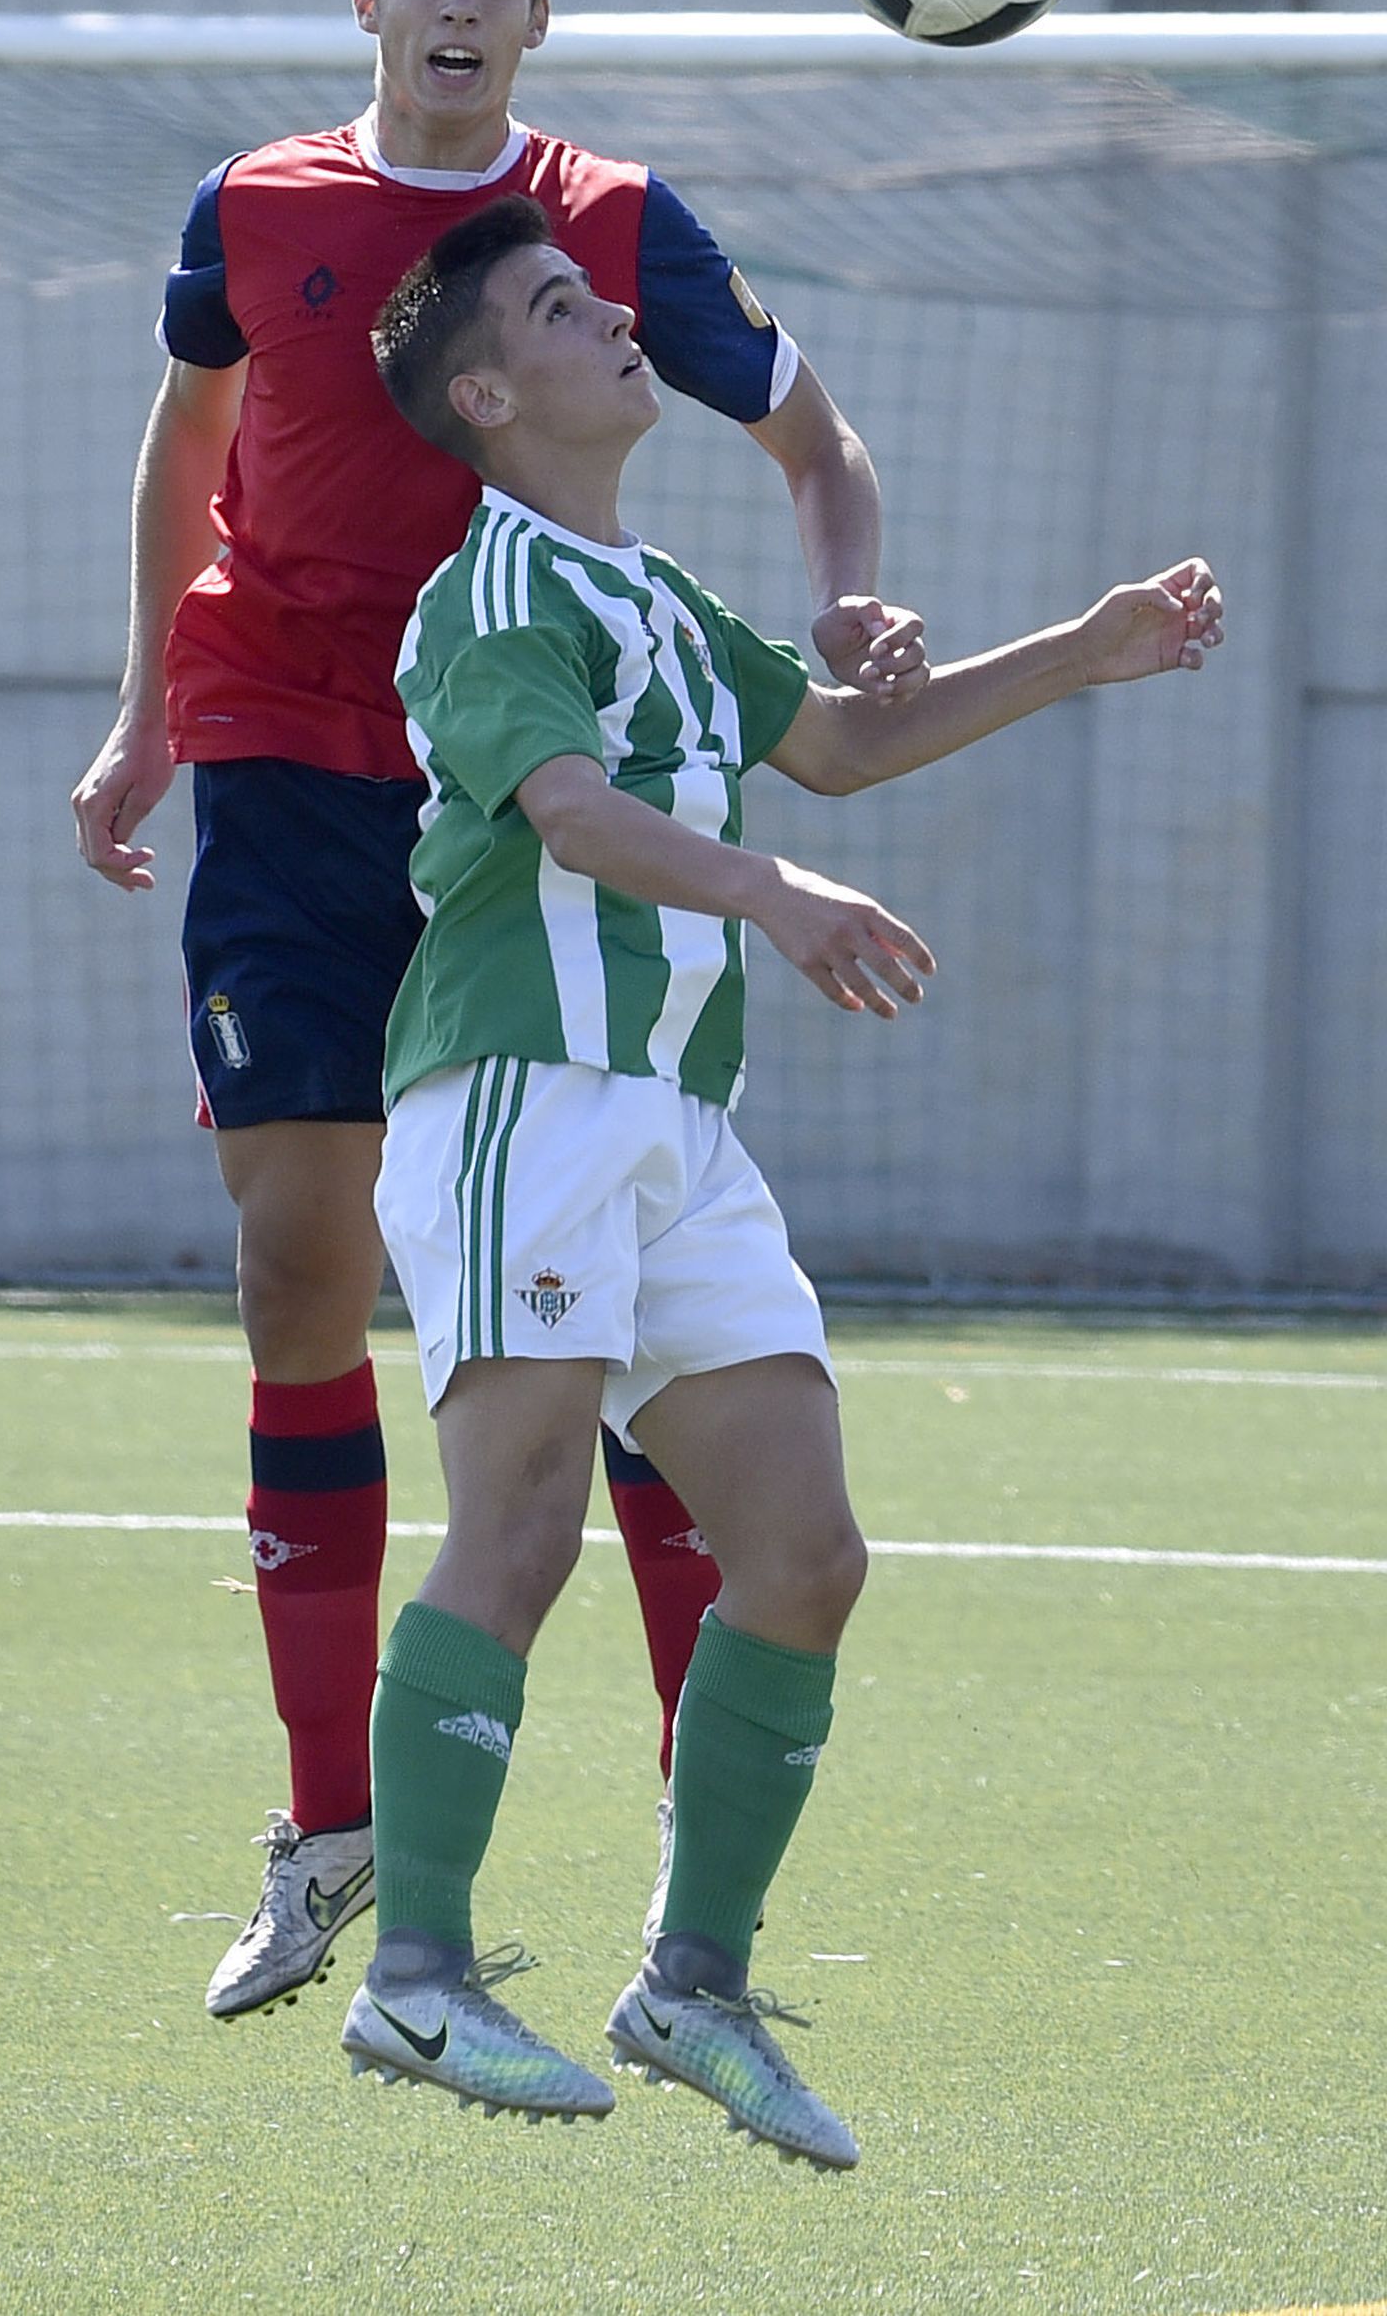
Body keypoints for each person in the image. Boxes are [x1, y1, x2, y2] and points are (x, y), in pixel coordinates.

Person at [68, 0, 929, 2022]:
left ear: (540, 13)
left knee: (617, 1292)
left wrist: (846, 612)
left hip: (533, 815)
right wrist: (147, 709)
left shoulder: (609, 230)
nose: (459, 9)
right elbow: (186, 455)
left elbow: (814, 443)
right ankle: (329, 1826)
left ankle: (683, 1828)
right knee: (295, 1271)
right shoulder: (250, 209)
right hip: (282, 759)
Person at [345, 194, 1224, 2161]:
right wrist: (770, 889)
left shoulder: (654, 594)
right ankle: (414, 1978)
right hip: (521, 1099)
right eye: (560, 308)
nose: (609, 319)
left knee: (806, 1554)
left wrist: (1080, 652)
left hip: (670, 1122)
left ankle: (692, 1983)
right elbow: (567, 811)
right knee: (518, 1536)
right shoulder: (492, 596)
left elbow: (830, 740)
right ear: (485, 393)